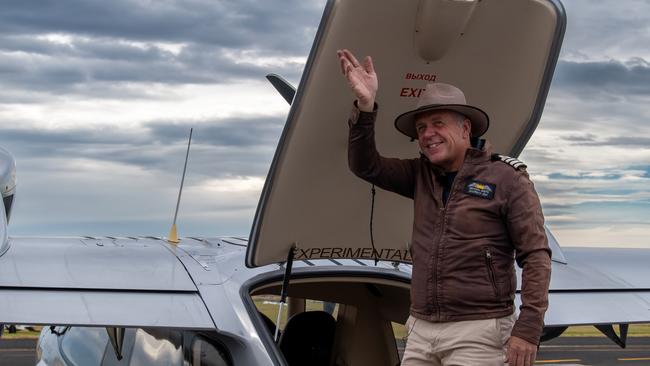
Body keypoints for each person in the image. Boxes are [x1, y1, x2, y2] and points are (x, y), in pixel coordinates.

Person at [337, 49, 551, 366]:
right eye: (421, 128)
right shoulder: (420, 175)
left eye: (438, 123)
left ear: (466, 129)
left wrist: (529, 327)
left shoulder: (507, 179)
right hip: (422, 329)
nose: (427, 134)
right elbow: (366, 166)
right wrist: (365, 107)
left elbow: (535, 255)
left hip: (479, 330)